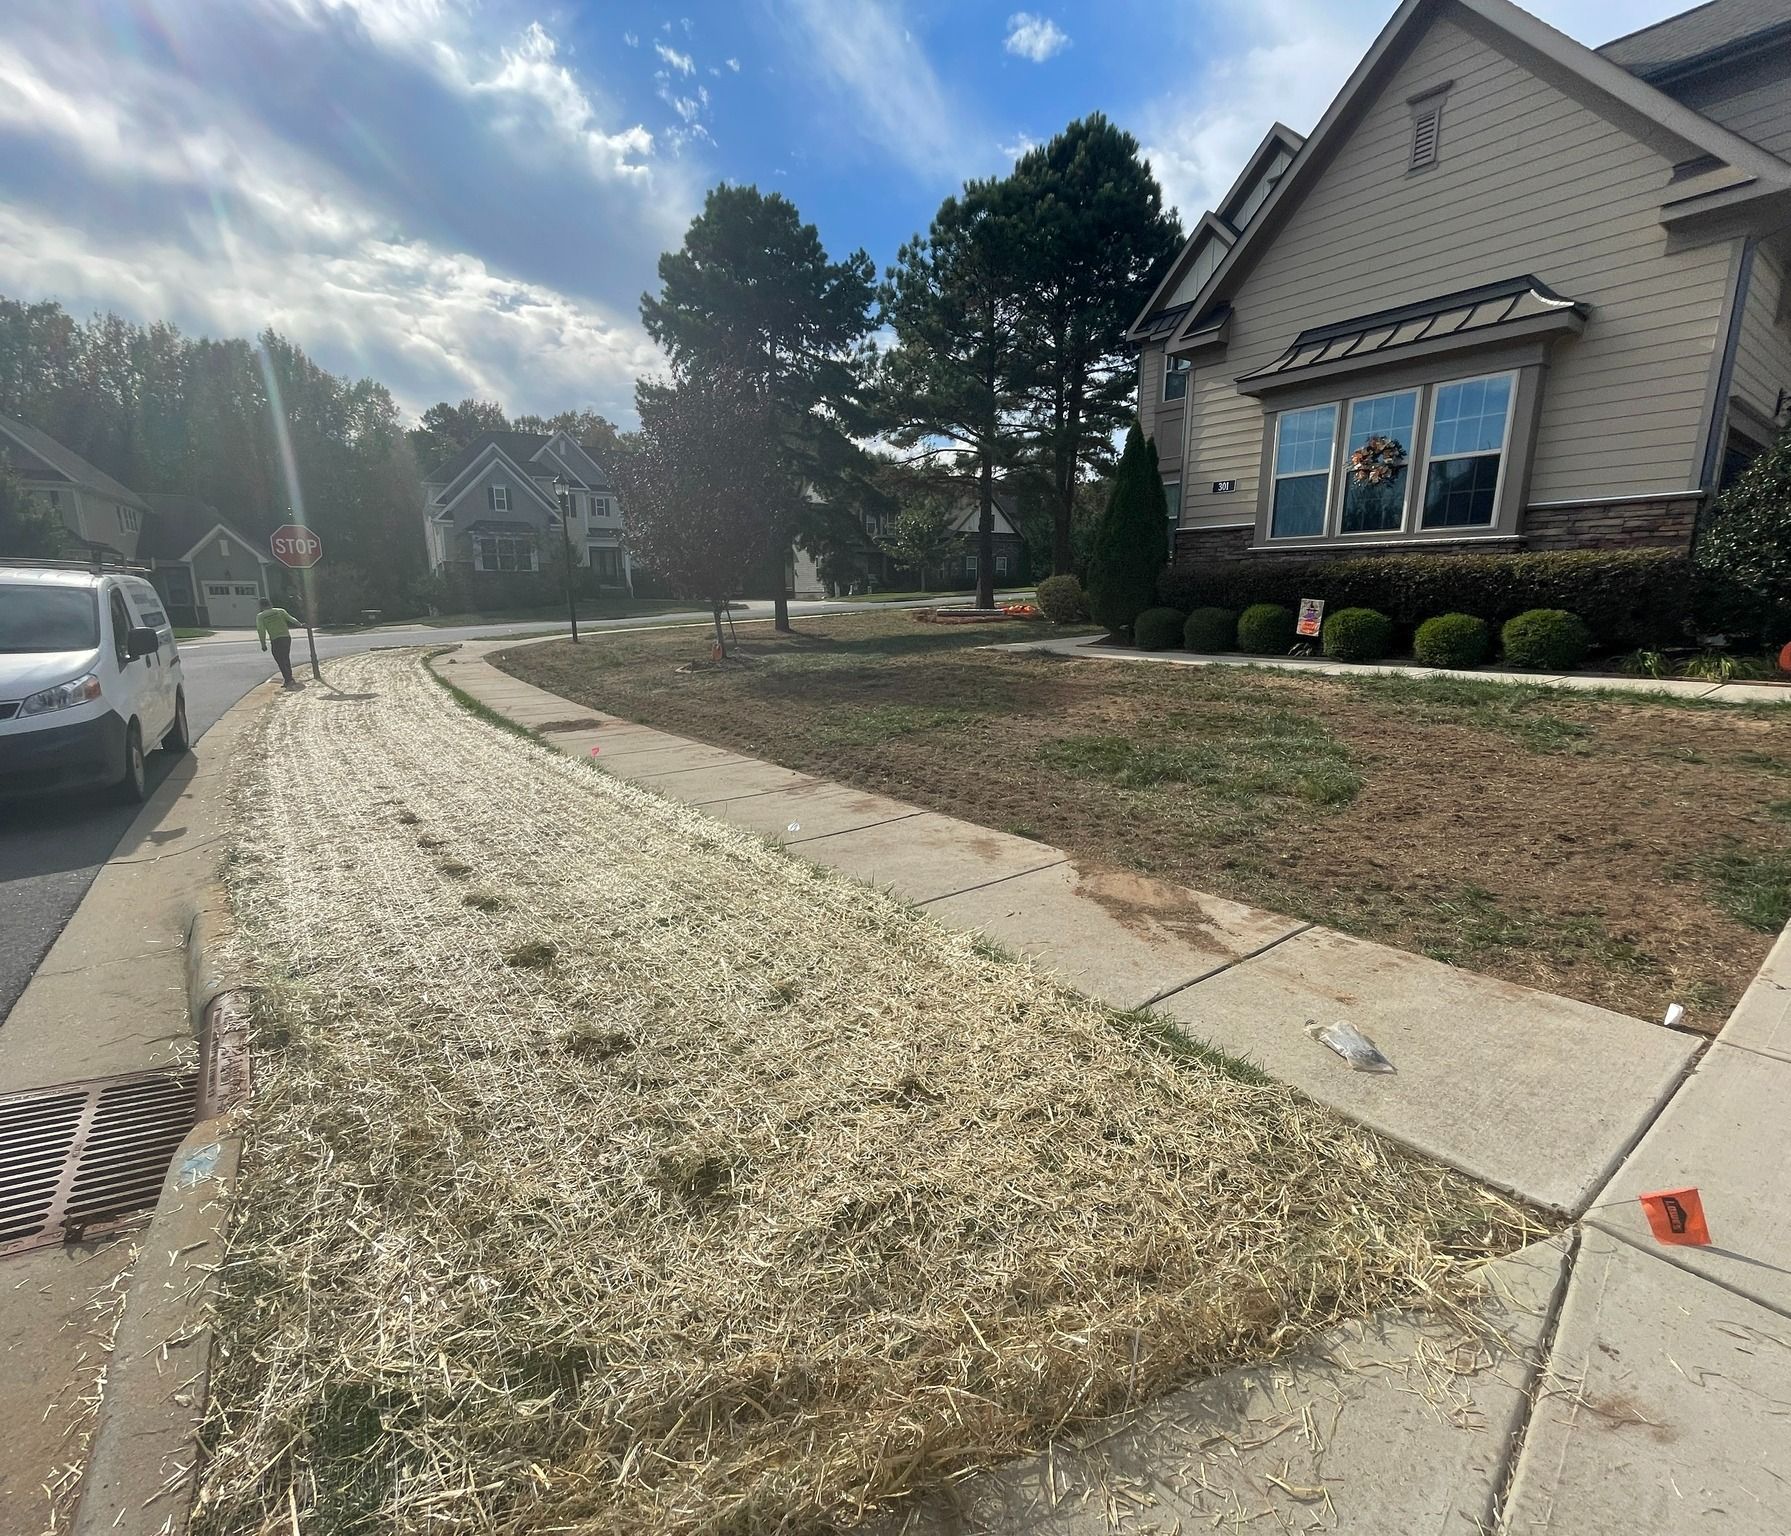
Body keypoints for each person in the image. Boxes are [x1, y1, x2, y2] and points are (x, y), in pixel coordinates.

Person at [256, 597, 303, 688]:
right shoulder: (280, 611)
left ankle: (288, 679)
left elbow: (261, 630)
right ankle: (289, 678)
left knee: (279, 659)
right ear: (270, 604)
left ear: (261, 606)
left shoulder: (261, 616)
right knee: (286, 657)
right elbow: (291, 619)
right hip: (286, 637)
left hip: (275, 639)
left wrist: (263, 644)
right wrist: (300, 624)